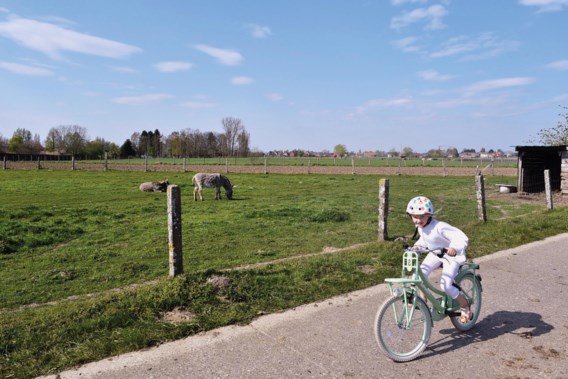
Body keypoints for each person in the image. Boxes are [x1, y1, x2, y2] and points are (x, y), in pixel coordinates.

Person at [406, 196, 472, 323]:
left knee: (446, 285)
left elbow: (460, 237)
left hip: (450, 256)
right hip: (436, 253)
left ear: (429, 215)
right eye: (415, 217)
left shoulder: (440, 226)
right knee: (418, 274)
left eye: (421, 217)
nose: (418, 220)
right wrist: (416, 248)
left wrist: (454, 247)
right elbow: (426, 240)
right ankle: (422, 301)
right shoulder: (421, 227)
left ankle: (465, 305)